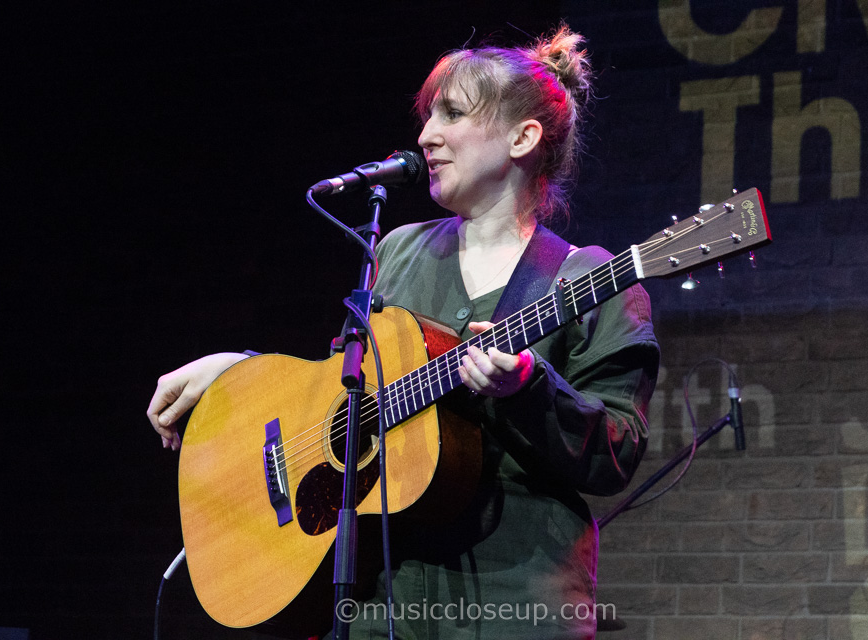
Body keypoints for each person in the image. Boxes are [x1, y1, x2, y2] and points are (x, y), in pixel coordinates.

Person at [148, 25, 659, 640]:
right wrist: (235, 367)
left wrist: (529, 388)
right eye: (428, 116)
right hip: (377, 601)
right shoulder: (397, 250)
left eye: (452, 114)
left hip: (512, 604)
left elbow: (617, 453)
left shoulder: (592, 280)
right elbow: (336, 392)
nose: (425, 136)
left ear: (522, 138)